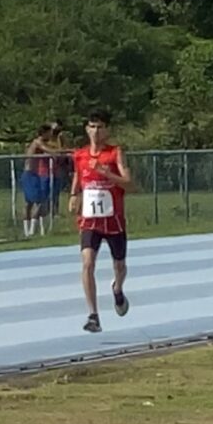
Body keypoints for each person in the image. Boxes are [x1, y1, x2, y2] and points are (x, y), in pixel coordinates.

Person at [71, 112, 132, 333]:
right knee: (87, 264)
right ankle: (93, 315)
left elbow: (130, 184)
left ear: (107, 130)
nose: (96, 131)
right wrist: (73, 195)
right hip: (89, 220)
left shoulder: (115, 153)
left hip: (114, 220)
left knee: (120, 266)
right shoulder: (79, 155)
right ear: (87, 129)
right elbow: (78, 177)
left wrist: (109, 175)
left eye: (100, 127)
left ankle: (117, 288)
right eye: (92, 127)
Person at [22, 121, 63, 236]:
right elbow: (51, 151)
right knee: (34, 202)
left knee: (34, 202)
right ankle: (29, 231)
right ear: (44, 133)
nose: (51, 135)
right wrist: (65, 151)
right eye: (50, 133)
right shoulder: (38, 142)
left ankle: (31, 230)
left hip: (34, 174)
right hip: (30, 174)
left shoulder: (42, 143)